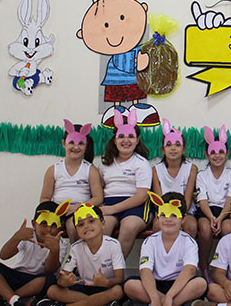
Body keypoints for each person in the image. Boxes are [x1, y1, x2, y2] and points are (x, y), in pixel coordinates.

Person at [122, 192, 208, 306]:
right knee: (130, 285)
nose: (168, 219)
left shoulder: (189, 242)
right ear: (157, 216)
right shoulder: (150, 241)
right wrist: (154, 297)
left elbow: (189, 271)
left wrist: (170, 296)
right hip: (155, 285)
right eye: (163, 215)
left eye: (174, 215)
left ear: (183, 218)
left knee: (200, 283)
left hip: (180, 286)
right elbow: (145, 271)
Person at [0, 201, 68, 306]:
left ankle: (6, 299)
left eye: (54, 225)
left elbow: (50, 269)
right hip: (16, 276)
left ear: (60, 227)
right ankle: (16, 300)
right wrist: (16, 238)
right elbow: (4, 255)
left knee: (49, 279)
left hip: (36, 283)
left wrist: (54, 250)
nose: (48, 229)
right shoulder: (28, 236)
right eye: (44, 223)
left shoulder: (61, 243)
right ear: (34, 224)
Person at [37, 203, 126, 306]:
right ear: (77, 230)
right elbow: (62, 278)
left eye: (91, 221)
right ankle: (100, 305)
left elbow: (119, 278)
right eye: (80, 224)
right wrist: (65, 282)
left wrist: (107, 282)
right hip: (84, 288)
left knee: (118, 291)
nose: (86, 226)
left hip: (105, 287)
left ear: (103, 224)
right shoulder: (76, 247)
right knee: (52, 290)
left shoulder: (113, 245)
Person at [99, 108, 151, 259]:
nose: (126, 140)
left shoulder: (141, 163)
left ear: (137, 140)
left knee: (128, 227)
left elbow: (142, 196)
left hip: (136, 206)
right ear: (114, 140)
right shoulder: (104, 164)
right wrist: (106, 208)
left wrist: (113, 209)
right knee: (101, 227)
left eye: (130, 136)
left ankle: (115, 268)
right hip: (109, 204)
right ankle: (98, 267)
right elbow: (99, 189)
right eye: (121, 136)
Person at [39, 119, 102, 242]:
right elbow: (44, 198)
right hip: (57, 211)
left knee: (73, 226)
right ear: (64, 143)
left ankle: (76, 253)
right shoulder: (53, 170)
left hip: (80, 210)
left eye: (81, 143)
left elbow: (98, 198)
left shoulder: (91, 170)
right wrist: (54, 211)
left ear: (86, 145)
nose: (75, 147)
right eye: (71, 142)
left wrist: (77, 207)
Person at [196, 124, 231, 279]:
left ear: (227, 154)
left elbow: (230, 200)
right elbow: (202, 201)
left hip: (225, 212)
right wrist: (212, 218)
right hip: (207, 211)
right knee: (205, 229)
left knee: (227, 229)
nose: (217, 156)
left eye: (221, 152)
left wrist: (219, 218)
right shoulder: (202, 175)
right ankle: (204, 266)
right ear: (206, 155)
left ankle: (224, 268)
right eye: (213, 152)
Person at [151, 119, 198, 238]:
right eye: (168, 145)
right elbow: (159, 200)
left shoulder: (191, 169)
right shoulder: (156, 170)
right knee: (157, 225)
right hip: (164, 211)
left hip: (184, 212)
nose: (173, 148)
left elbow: (187, 201)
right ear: (163, 149)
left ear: (184, 149)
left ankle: (188, 250)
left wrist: (178, 218)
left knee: (191, 226)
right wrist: (169, 216)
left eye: (177, 145)